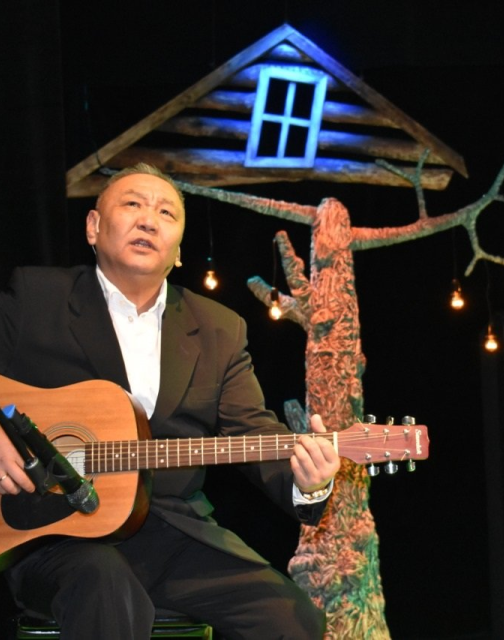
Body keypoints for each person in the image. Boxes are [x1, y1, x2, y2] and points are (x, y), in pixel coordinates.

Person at [0, 163, 340, 639]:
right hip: (52, 535)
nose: (148, 220)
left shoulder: (219, 328)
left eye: (166, 213)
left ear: (178, 251)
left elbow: (254, 433)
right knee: (107, 589)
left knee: (294, 620)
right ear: (94, 227)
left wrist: (309, 482)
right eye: (132, 204)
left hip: (174, 537)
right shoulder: (35, 297)